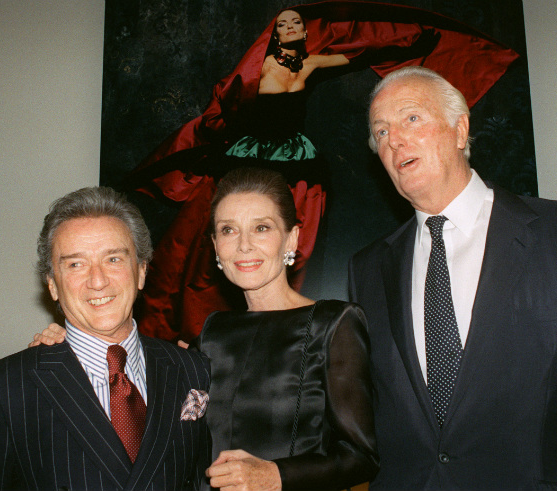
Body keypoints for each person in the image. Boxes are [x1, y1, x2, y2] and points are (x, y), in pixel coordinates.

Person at [129, 2, 520, 343]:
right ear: (275, 33)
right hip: (252, 152)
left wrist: (408, 41)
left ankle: (283, 326)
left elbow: (358, 53)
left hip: (292, 155)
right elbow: (235, 97)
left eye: (296, 24)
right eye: (282, 25)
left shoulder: (313, 62)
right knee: (221, 230)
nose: (290, 30)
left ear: (303, 30)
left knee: (294, 231)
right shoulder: (262, 65)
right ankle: (198, 324)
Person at [350, 66, 557, 489]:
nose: (396, 141)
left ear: (460, 130)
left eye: (411, 118)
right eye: (381, 132)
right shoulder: (368, 268)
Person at [32, 168, 378, 491]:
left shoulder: (335, 323)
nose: (243, 245)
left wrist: (275, 475)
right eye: (228, 230)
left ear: (291, 239)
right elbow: (153, 411)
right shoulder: (212, 334)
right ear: (215, 246)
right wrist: (74, 348)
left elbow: (362, 457)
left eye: (261, 228)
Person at [0, 187, 211, 491]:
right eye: (76, 264)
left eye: (113, 259)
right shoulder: (4, 388)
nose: (98, 281)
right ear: (52, 286)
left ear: (141, 271)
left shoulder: (192, 369)